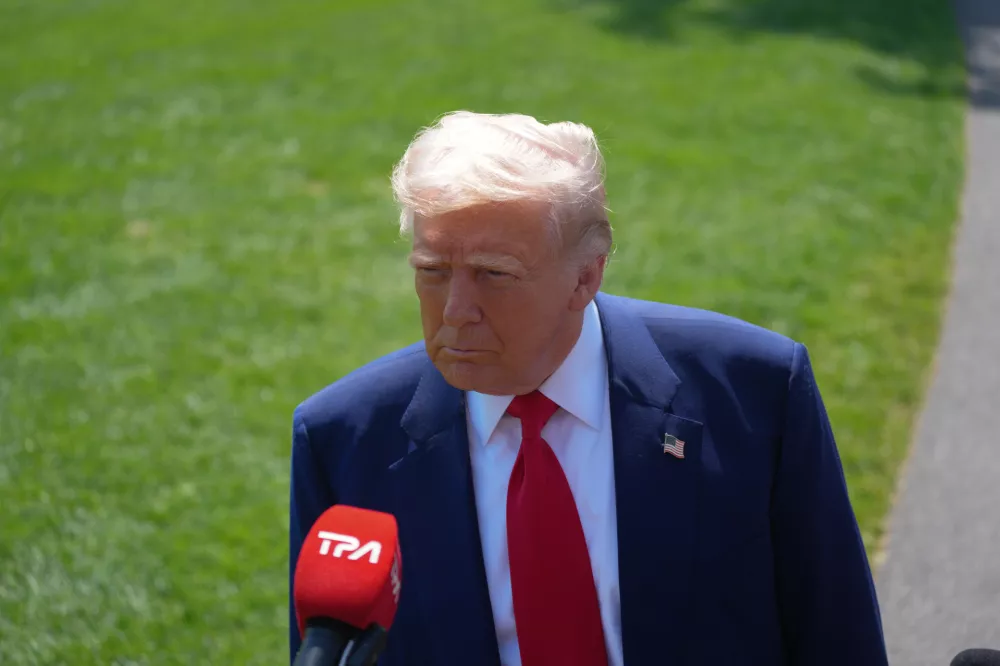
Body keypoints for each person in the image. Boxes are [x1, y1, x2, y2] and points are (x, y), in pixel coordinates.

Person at [288, 111, 889, 666]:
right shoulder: (344, 441)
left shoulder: (754, 391)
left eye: (493, 275)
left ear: (585, 277)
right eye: (432, 272)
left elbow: (837, 634)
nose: (455, 311)